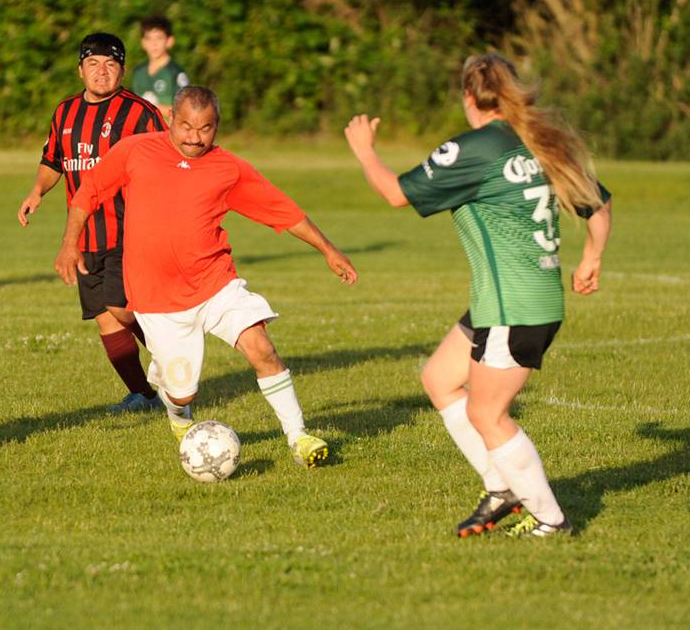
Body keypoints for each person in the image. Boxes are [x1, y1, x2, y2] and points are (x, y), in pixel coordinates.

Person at [344, 53, 612, 537]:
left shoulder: (476, 149)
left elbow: (395, 193)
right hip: (512, 299)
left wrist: (364, 150)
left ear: (469, 97)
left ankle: (552, 521)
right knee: (439, 379)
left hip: (515, 306)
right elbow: (598, 208)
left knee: (486, 413)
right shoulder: (540, 142)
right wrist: (591, 258)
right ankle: (501, 487)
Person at [55, 86, 358, 468]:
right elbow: (88, 193)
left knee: (261, 347)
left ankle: (299, 437)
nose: (195, 138)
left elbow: (282, 210)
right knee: (182, 395)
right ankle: (179, 416)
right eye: (186, 127)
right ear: (169, 120)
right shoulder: (136, 151)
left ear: (217, 126)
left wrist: (328, 249)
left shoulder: (228, 168)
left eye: (206, 129)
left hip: (215, 285)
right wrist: (70, 243)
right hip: (156, 299)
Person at [18, 32, 167, 414]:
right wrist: (37, 192)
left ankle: (176, 364)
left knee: (119, 306)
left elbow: (164, 168)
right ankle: (145, 395)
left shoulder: (139, 113)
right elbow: (54, 160)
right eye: (94, 64)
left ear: (122, 70)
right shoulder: (65, 112)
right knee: (104, 319)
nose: (102, 72)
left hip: (129, 231)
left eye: (111, 65)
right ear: (80, 69)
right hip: (84, 236)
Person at [131, 15, 189, 122]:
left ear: (169, 41)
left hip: (166, 133)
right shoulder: (138, 72)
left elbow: (183, 111)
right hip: (142, 134)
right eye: (149, 38)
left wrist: (152, 106)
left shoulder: (175, 73)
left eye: (159, 38)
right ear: (143, 42)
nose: (154, 44)